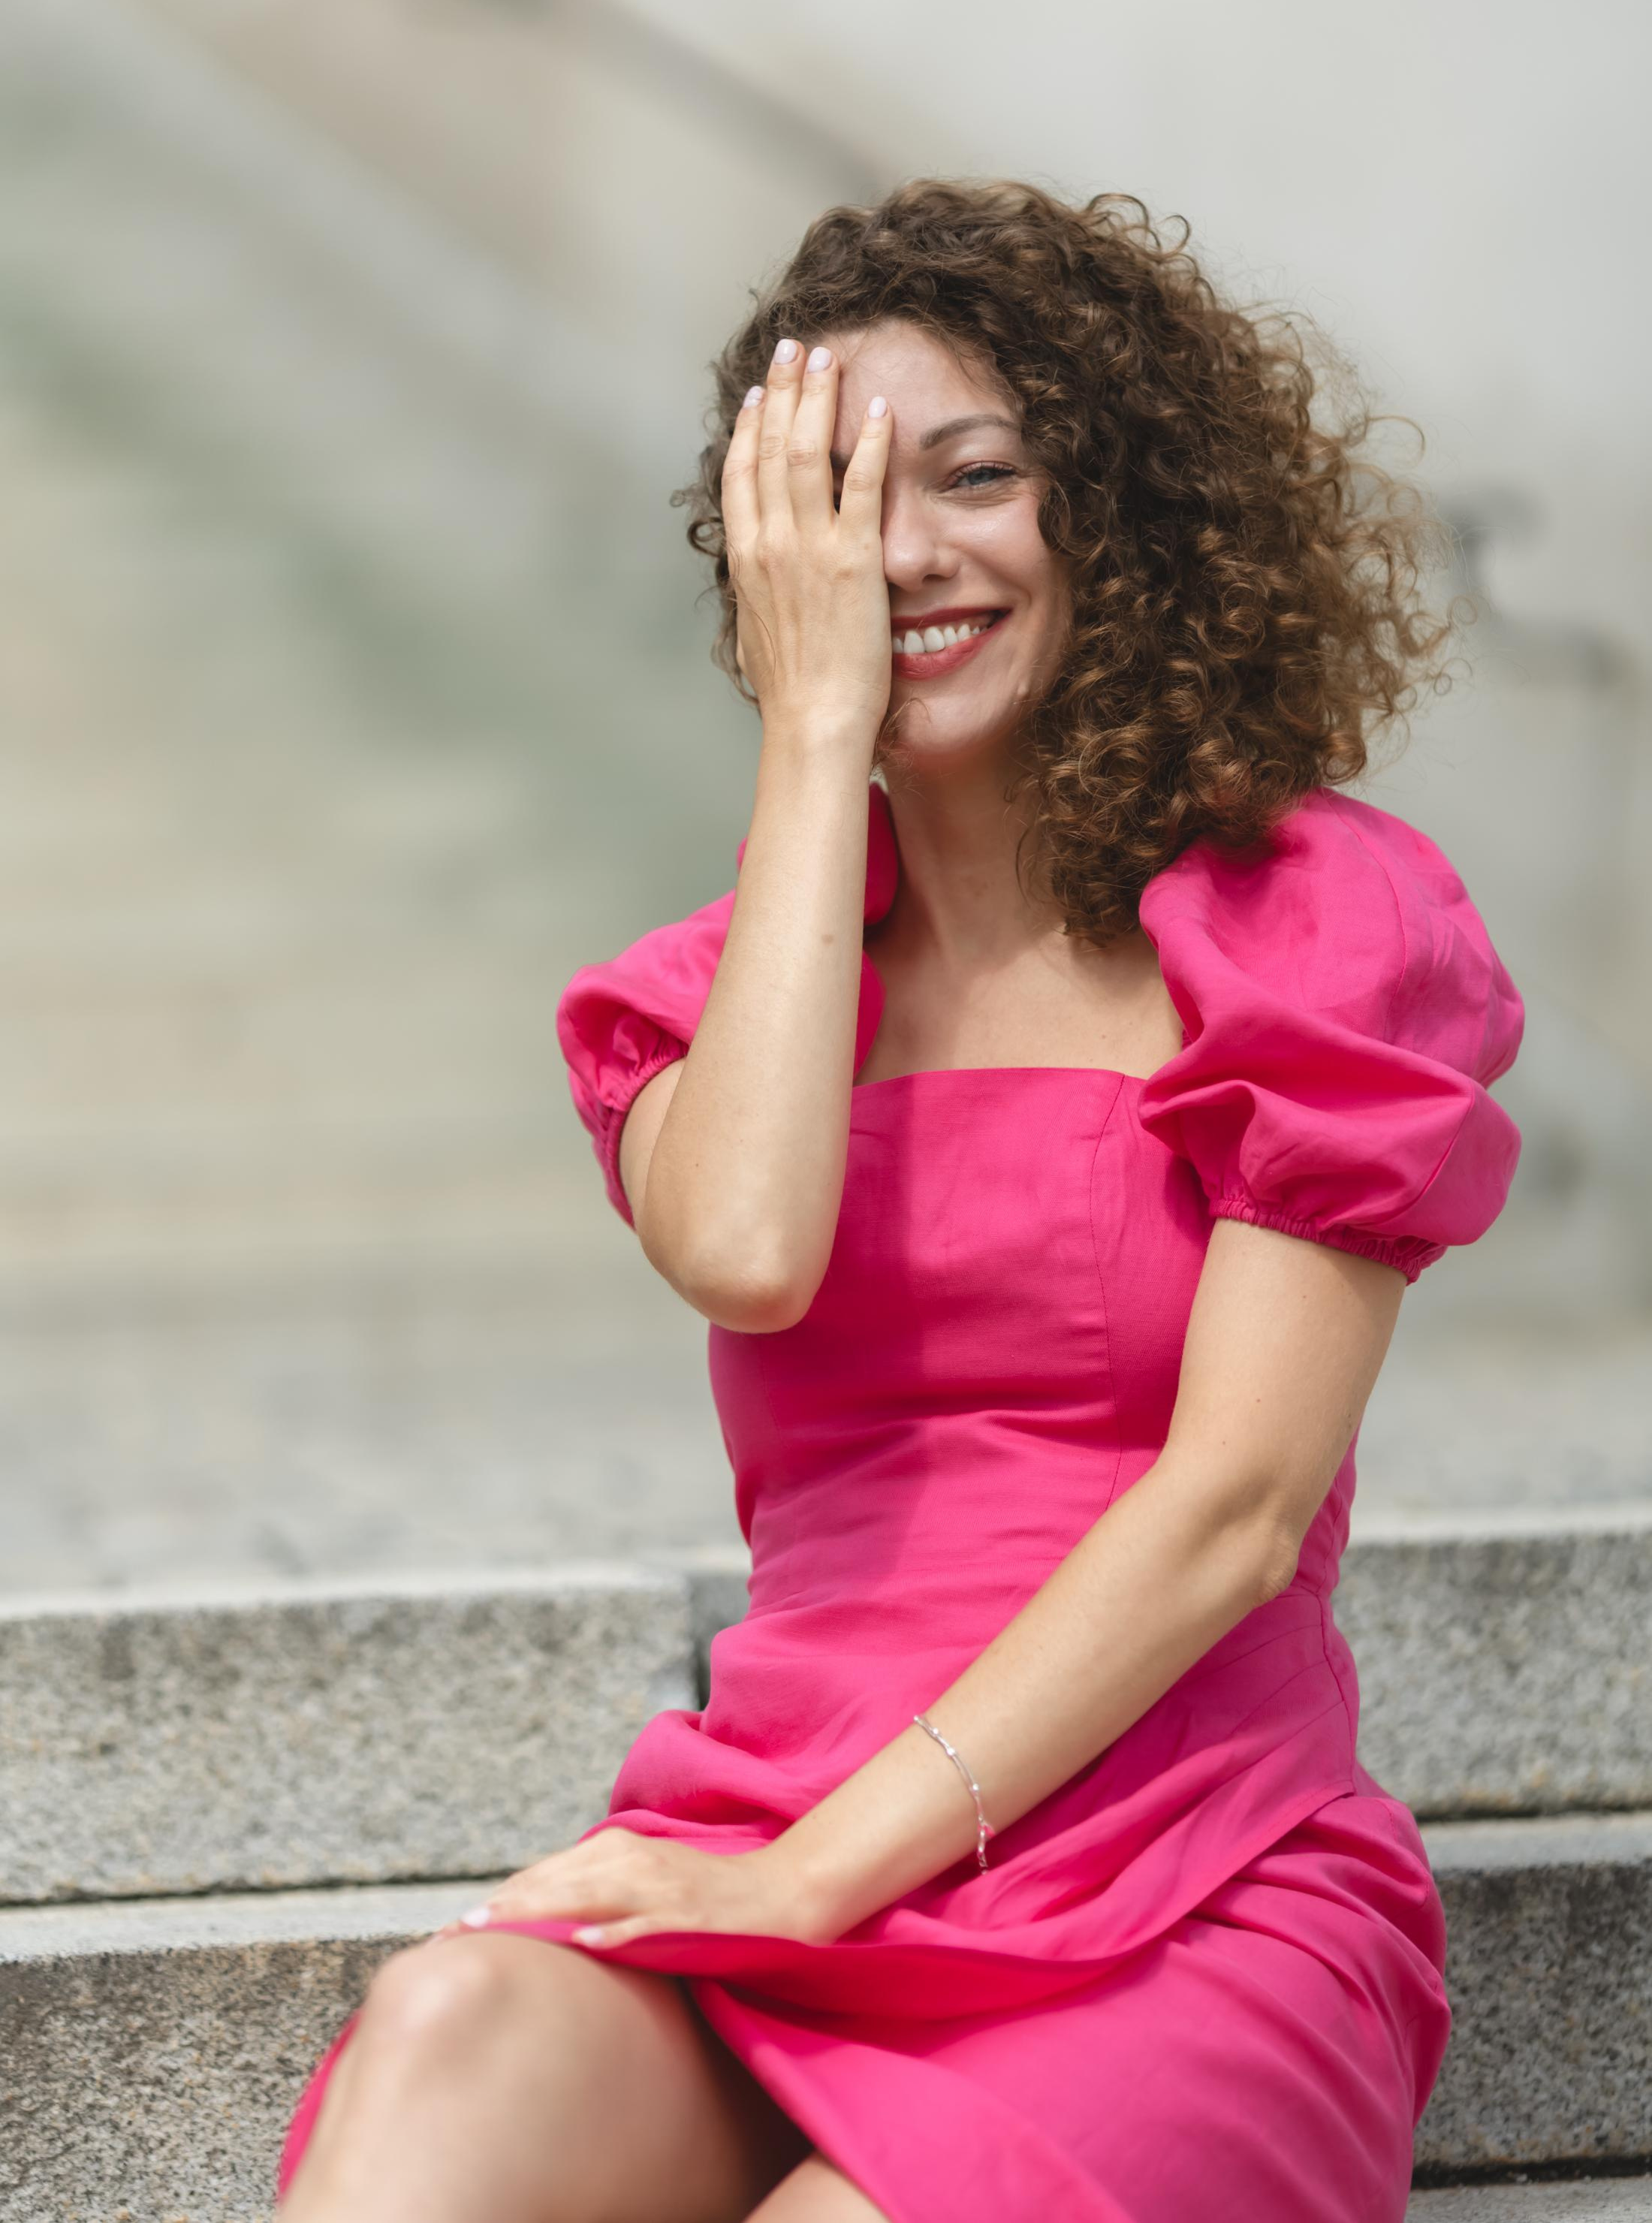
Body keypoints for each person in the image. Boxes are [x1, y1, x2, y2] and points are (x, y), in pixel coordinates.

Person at [274, 179, 1525, 2223]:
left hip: (1179, 1887)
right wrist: (815, 732)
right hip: (766, 1833)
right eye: (842, 494)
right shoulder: (710, 999)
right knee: (447, 2033)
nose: (909, 550)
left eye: (977, 476)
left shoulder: (1314, 927)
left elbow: (1230, 1514)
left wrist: (815, 1873)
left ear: (1112, 512)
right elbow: (756, 1249)